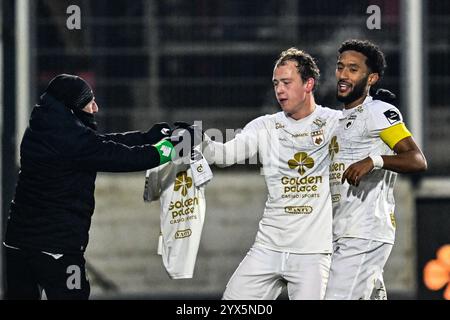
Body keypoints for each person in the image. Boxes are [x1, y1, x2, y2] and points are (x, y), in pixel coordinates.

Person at [3, 74, 192, 300]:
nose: (95, 107)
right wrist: (173, 147)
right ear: (72, 108)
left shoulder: (42, 129)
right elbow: (123, 158)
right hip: (57, 250)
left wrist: (146, 137)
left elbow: (99, 145)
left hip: (17, 245)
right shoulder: (73, 142)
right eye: (88, 103)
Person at [202, 48, 341, 299]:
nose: (279, 90)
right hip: (268, 247)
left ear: (308, 83)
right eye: (276, 83)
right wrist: (200, 141)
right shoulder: (265, 126)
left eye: (287, 82)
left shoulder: (335, 123)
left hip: (313, 253)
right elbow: (222, 156)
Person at [325, 39, 427, 300]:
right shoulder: (338, 119)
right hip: (342, 231)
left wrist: (374, 160)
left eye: (353, 69)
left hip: (364, 231)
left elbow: (416, 159)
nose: (343, 75)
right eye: (340, 67)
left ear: (371, 78)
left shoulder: (379, 111)